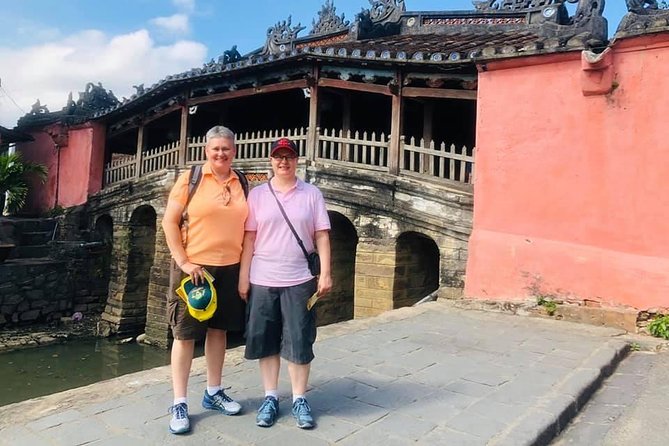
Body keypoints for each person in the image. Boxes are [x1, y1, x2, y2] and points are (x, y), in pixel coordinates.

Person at [239, 137, 332, 429]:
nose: (283, 162)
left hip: (299, 279)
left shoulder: (311, 194)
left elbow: (321, 235)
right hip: (263, 277)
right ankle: (270, 396)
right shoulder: (257, 195)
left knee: (299, 340)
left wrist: (326, 272)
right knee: (266, 340)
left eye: (289, 156)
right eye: (278, 157)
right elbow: (249, 238)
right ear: (271, 161)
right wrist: (243, 277)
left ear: (297, 160)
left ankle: (299, 398)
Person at [162, 125, 248, 434]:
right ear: (206, 151)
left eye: (226, 148)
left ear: (234, 151)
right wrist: (184, 261)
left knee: (218, 331)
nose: (221, 154)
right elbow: (169, 221)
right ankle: (180, 401)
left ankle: (213, 392)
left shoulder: (243, 182)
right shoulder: (191, 179)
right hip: (195, 270)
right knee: (185, 334)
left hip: (230, 267)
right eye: (216, 149)